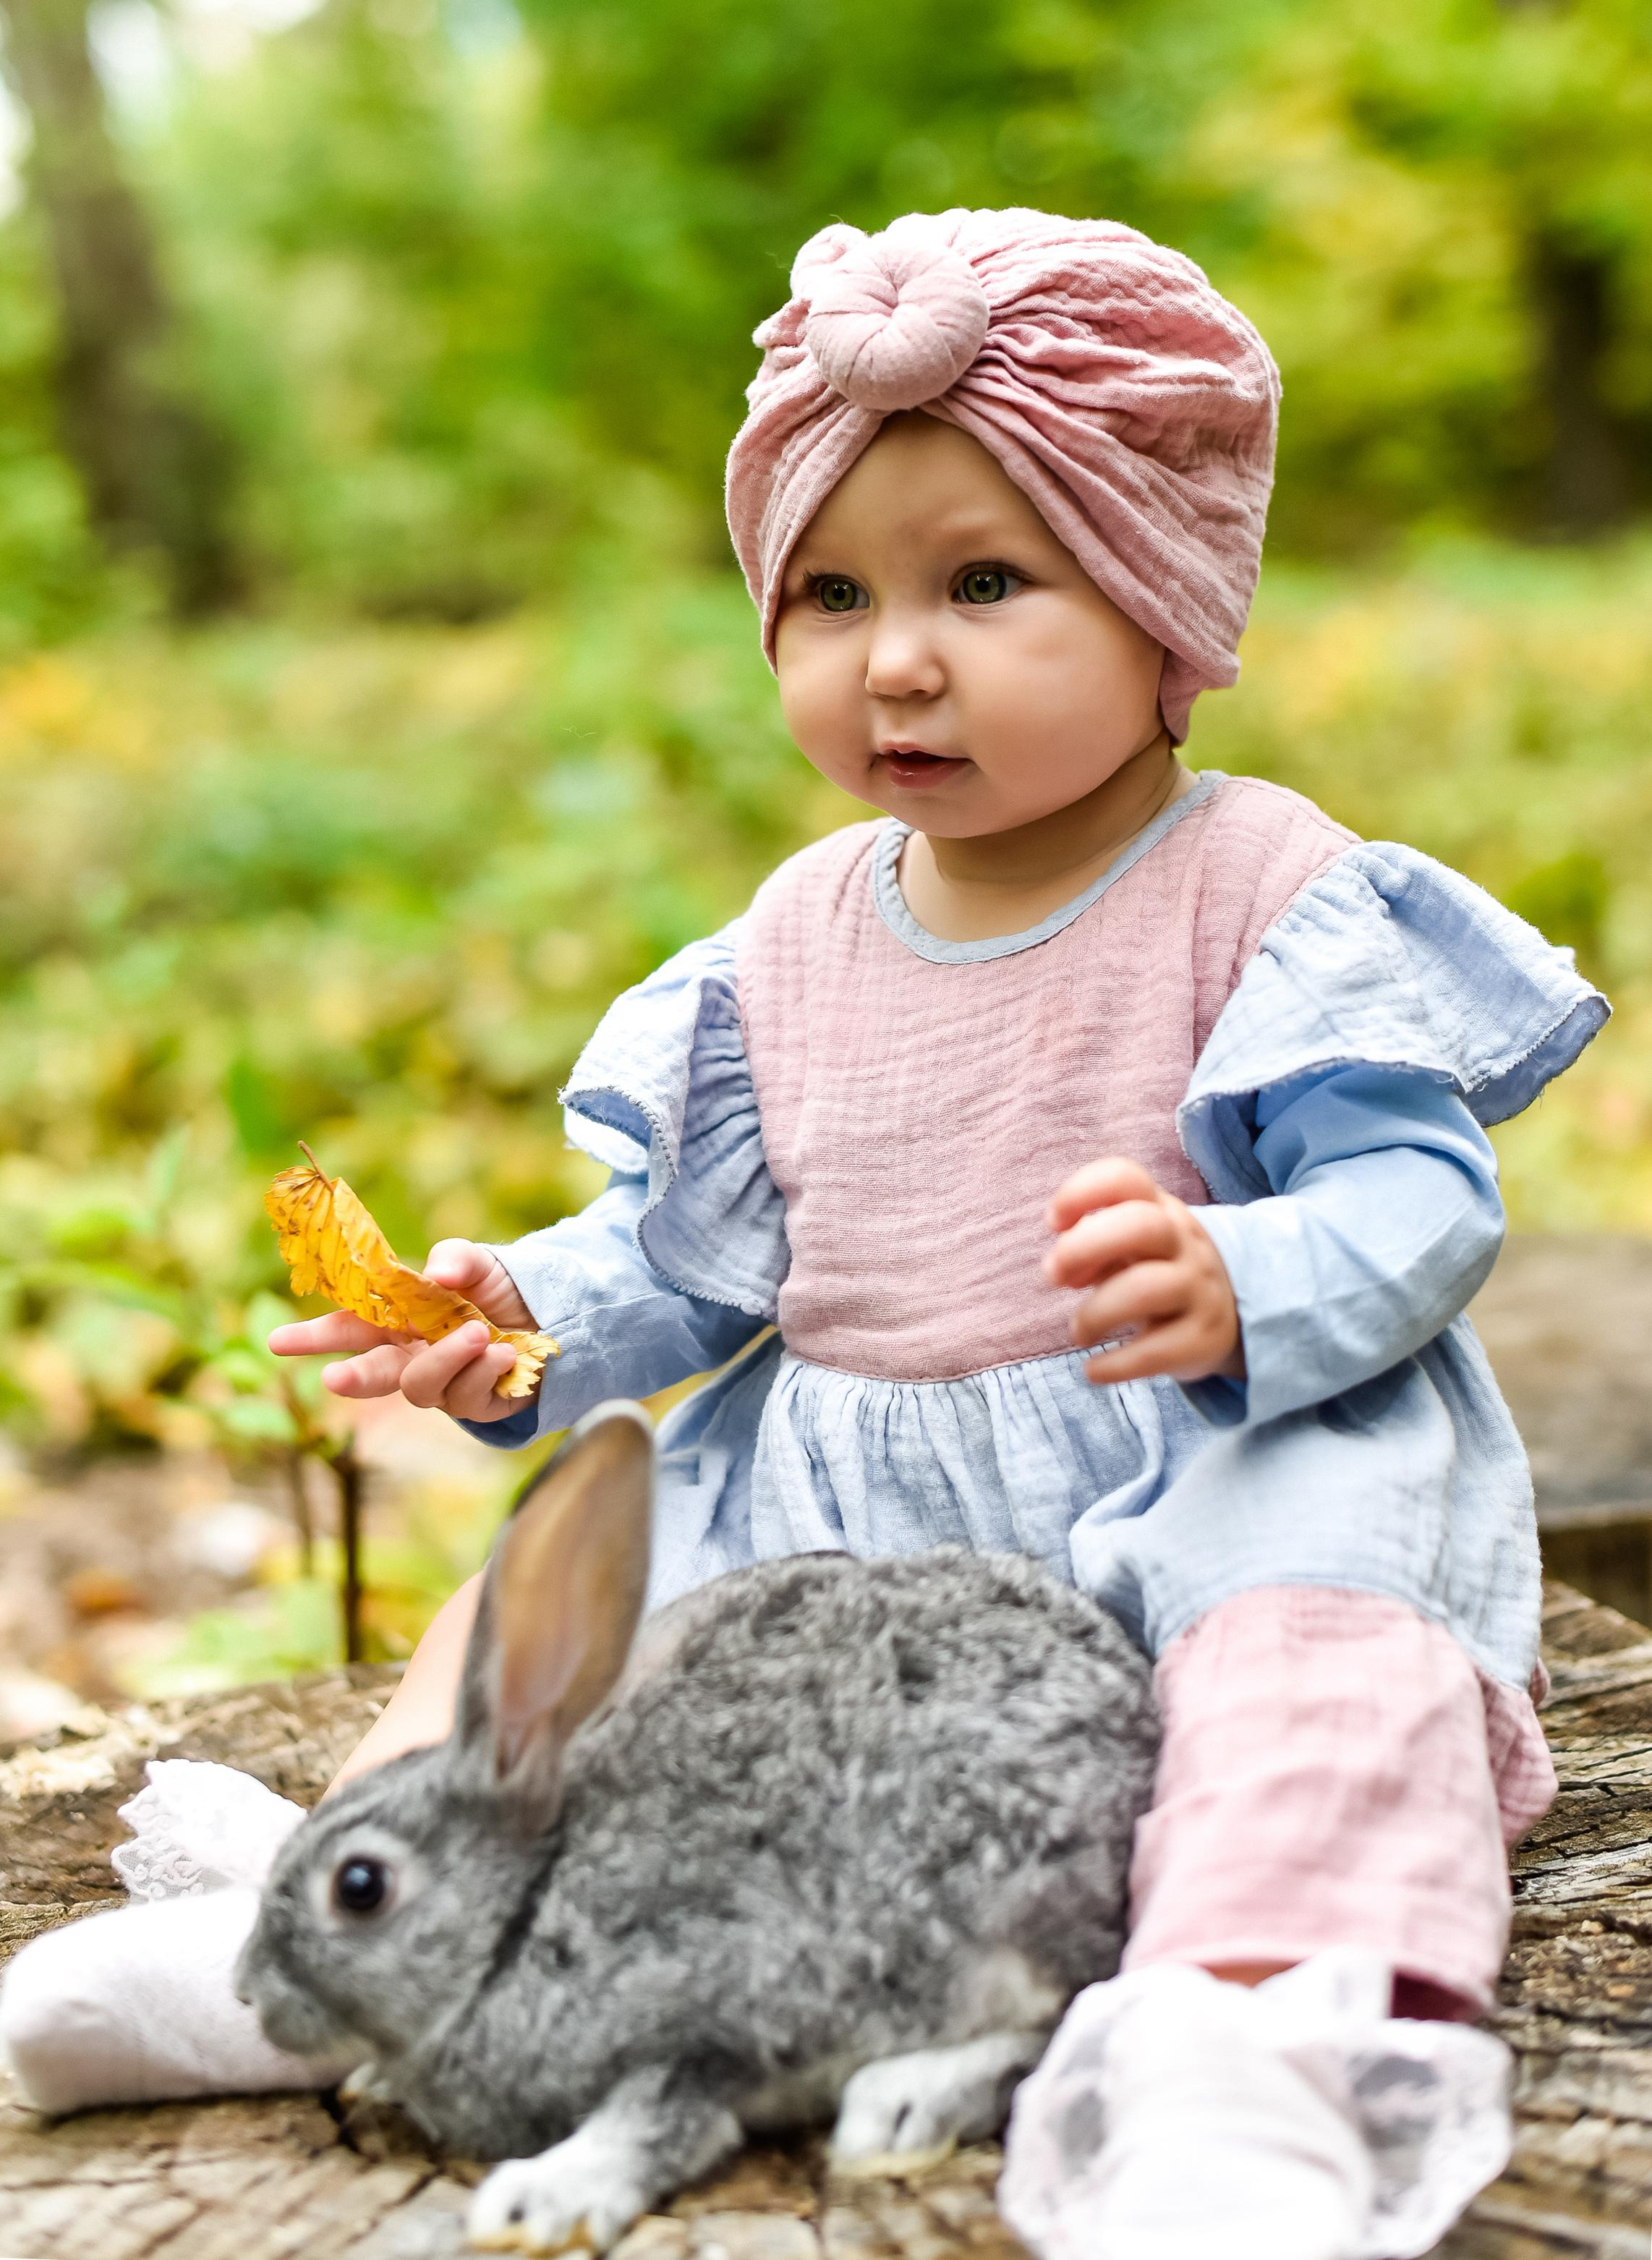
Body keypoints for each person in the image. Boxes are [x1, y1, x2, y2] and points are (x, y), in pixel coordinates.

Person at [0, 211, 1606, 2259]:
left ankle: (1245, 2040)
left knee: (1312, 1629)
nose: (894, 656)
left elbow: (1418, 1199)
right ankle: (331, 1925)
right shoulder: (787, 942)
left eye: (984, 582)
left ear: (1162, 601)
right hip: (847, 1471)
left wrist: (1245, 1276)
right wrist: (526, 1316)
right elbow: (695, 1256)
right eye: (828, 595)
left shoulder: (1260, 887)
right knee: (580, 1570)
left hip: (1193, 1441)